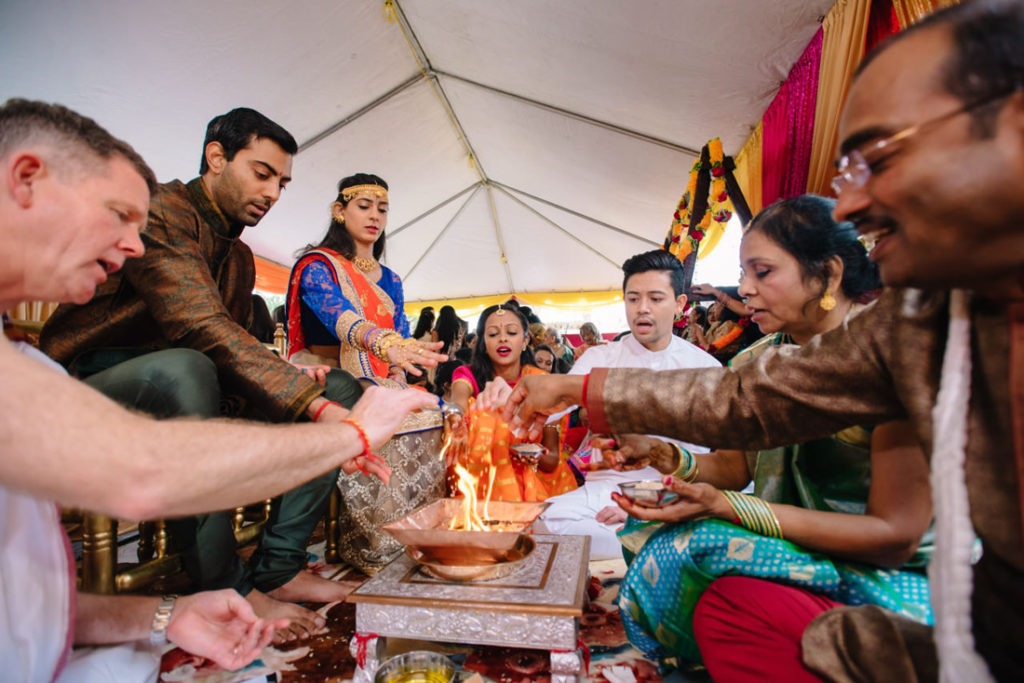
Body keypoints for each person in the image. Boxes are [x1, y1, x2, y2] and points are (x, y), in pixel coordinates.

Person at [503, 3, 1024, 679]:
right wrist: (665, 457)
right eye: (848, 174)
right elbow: (743, 407)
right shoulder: (921, 323)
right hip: (977, 638)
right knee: (684, 559)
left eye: (882, 157)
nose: (857, 205)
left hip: (910, 587)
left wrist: (729, 505)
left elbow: (889, 528)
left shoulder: (903, 329)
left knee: (699, 553)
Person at [0, 99, 436, 682]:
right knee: (193, 370)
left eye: (283, 182)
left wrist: (308, 391)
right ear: (216, 157)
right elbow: (199, 328)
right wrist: (335, 422)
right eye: (262, 174)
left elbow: (229, 342)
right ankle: (224, 581)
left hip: (192, 376)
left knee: (326, 381)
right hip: (101, 375)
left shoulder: (241, 257)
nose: (274, 193)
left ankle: (278, 565)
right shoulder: (165, 212)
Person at [609, 197, 933, 676]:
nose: (744, 290)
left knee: (716, 583)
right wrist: (662, 455)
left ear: (829, 274)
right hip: (805, 552)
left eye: (762, 272)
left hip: (893, 574)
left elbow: (896, 537)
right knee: (645, 532)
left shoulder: (892, 361)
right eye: (743, 273)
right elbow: (737, 470)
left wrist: (732, 509)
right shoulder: (755, 360)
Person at [536, 249, 720, 560]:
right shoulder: (600, 358)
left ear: (679, 304)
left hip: (669, 491)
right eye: (633, 299)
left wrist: (651, 508)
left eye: (655, 299)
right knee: (543, 525)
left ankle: (643, 532)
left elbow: (725, 467)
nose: (642, 309)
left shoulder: (707, 369)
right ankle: (640, 538)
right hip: (604, 488)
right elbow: (552, 406)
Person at [285, 173, 444, 384]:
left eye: (382, 209)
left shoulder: (391, 280)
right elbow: (341, 318)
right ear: (339, 211)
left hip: (380, 379)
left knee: (435, 414)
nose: (375, 216)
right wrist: (385, 344)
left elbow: (400, 334)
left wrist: (397, 374)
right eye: (364, 206)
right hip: (325, 375)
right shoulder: (319, 266)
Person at [449, 303, 577, 502]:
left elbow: (551, 460)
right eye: (492, 334)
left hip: (536, 486)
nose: (503, 338)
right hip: (478, 487)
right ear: (483, 342)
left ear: (525, 341)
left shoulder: (541, 383)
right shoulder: (468, 376)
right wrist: (455, 418)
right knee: (483, 411)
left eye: (511, 332)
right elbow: (458, 400)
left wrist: (531, 455)